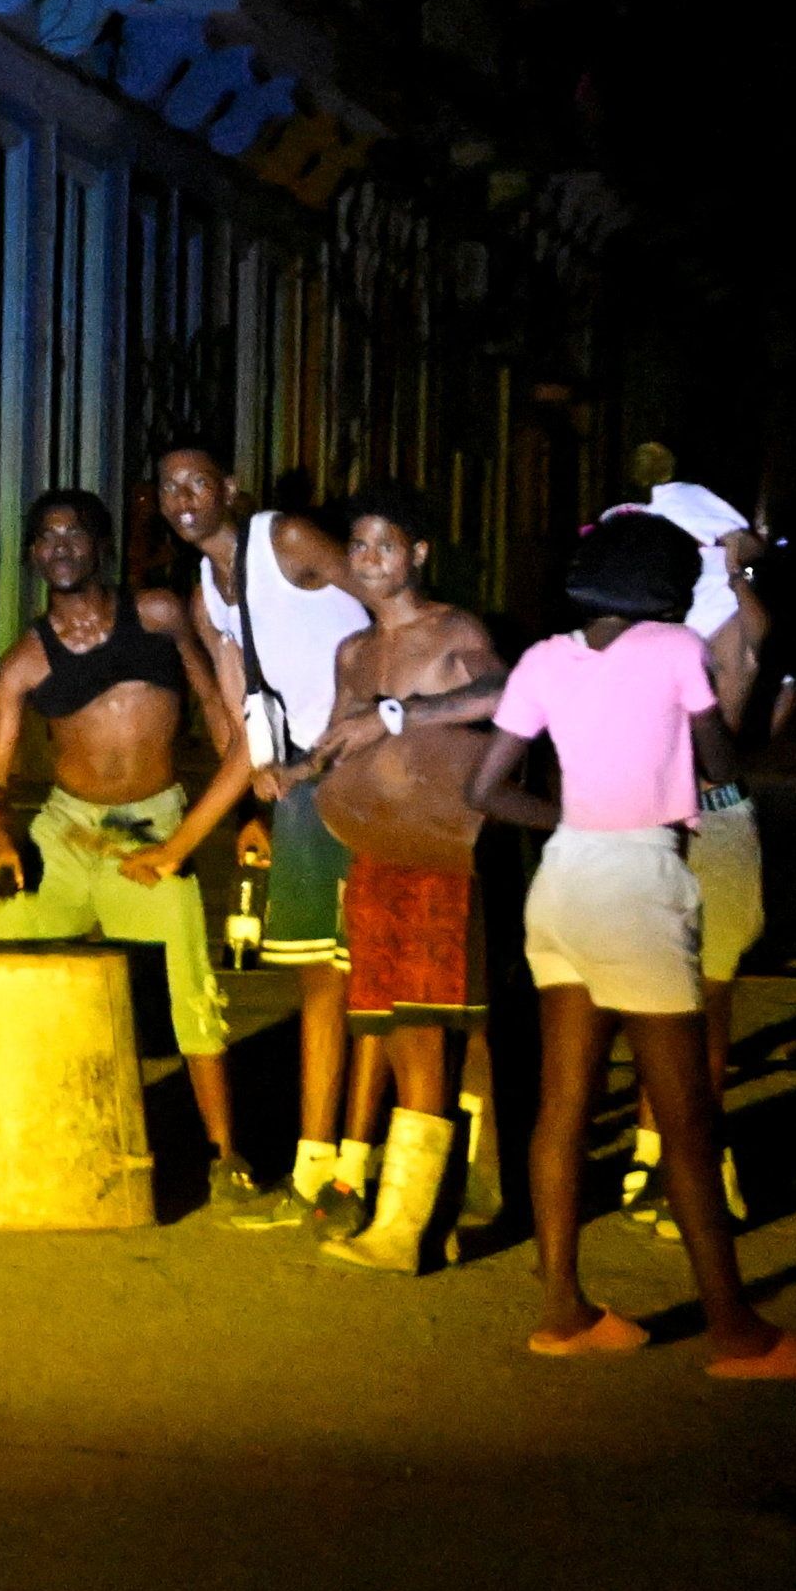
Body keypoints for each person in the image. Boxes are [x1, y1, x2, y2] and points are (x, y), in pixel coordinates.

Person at [469, 511, 796, 1376]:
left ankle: (563, 1309)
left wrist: (570, 818)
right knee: (685, 1122)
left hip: (562, 882)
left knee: (563, 1107)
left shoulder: (544, 659)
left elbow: (485, 788)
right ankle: (736, 1331)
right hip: (638, 881)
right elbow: (721, 766)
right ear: (664, 589)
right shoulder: (677, 649)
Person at [0, 486, 265, 1220]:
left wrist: (244, 815)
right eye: (46, 536)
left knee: (189, 986)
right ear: (33, 554)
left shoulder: (158, 614)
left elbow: (215, 710)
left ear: (99, 546)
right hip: (67, 830)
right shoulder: (23, 664)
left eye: (74, 534)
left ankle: (226, 1153)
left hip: (152, 824)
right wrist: (4, 844)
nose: (60, 547)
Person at [297, 486, 503, 1275]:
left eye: (386, 544)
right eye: (358, 545)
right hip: (371, 853)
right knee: (383, 1024)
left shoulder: (454, 631)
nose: (369, 559)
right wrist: (301, 765)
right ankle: (418, 1221)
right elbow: (342, 735)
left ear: (418, 553)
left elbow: (506, 692)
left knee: (426, 1032)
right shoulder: (353, 650)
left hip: (439, 853)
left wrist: (396, 714)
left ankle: (405, 1231)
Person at [165, 445, 370, 1228]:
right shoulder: (208, 591)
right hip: (303, 783)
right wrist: (257, 788)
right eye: (169, 486)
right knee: (319, 973)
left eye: (197, 481)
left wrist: (376, 710)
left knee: (393, 977)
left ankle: (411, 1155)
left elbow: (388, 605)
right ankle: (318, 1167)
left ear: (230, 489)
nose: (183, 496)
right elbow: (233, 705)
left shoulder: (285, 541)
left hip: (371, 767)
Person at [611, 479, 774, 1227]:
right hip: (652, 827)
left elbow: (748, 638)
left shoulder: (724, 624)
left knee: (703, 1015)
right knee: (656, 1008)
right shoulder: (655, 624)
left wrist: (738, 567)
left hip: (710, 825)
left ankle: (706, 1170)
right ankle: (653, 1152)